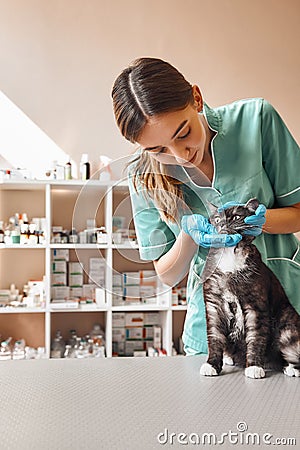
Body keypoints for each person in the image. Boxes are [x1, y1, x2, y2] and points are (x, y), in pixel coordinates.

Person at [111, 57, 300, 355]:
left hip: (287, 316)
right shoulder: (142, 175)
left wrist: (260, 222)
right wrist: (188, 237)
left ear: (196, 99)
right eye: (158, 150)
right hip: (213, 331)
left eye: (183, 133)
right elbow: (166, 273)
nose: (180, 155)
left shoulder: (256, 121)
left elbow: (297, 213)